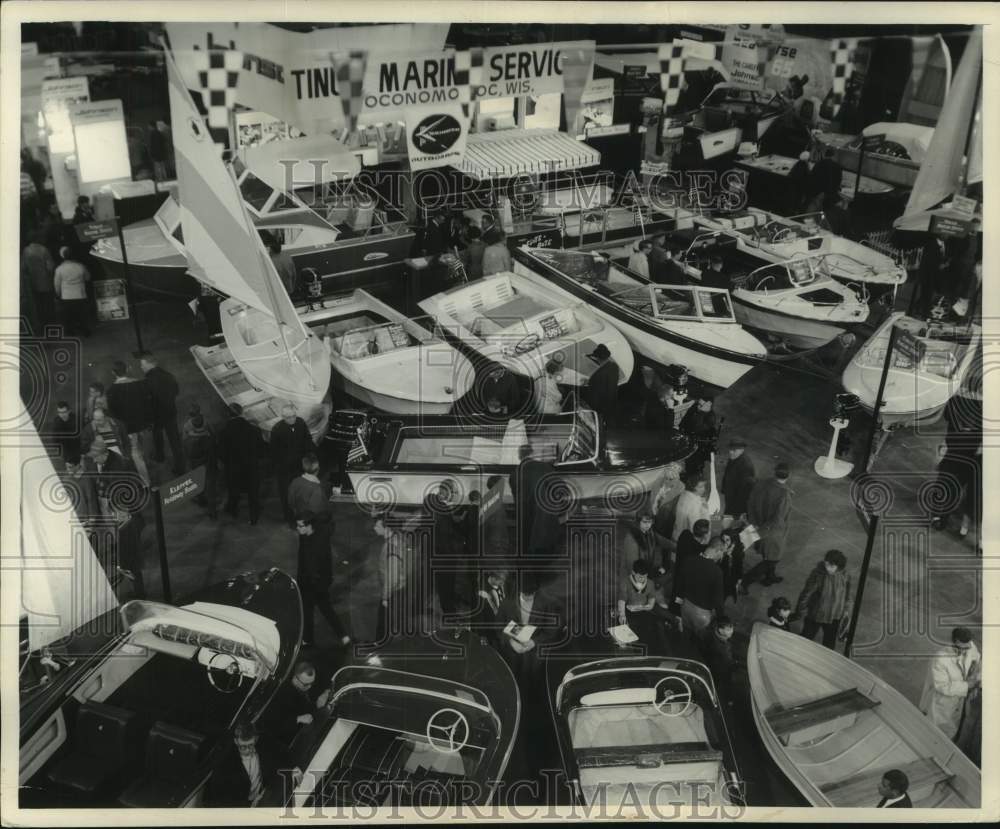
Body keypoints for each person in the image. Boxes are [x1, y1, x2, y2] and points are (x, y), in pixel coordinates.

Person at [495, 574, 562, 689]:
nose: (528, 598)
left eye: (531, 595)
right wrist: (510, 641)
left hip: (536, 662)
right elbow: (497, 628)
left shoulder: (547, 603)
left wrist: (533, 642)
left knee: (535, 692)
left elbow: (552, 632)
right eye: (525, 595)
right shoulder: (507, 603)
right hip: (512, 660)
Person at [296, 509, 350, 648]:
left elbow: (316, 565)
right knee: (323, 609)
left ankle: (309, 640)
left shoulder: (317, 543)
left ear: (309, 526)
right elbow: (302, 560)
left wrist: (313, 584)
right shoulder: (306, 535)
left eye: (300, 526)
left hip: (315, 583)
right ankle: (343, 636)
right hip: (312, 582)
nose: (298, 528)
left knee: (314, 610)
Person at [205, 721, 287, 807]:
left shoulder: (263, 745)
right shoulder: (226, 764)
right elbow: (221, 800)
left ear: (256, 739)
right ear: (236, 741)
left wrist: (294, 767)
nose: (247, 751)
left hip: (263, 796)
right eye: (243, 747)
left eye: (250, 745)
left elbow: (281, 751)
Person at [919, 627, 980, 739]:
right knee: (935, 732)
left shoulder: (970, 647)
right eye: (959, 648)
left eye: (966, 648)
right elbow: (942, 686)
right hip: (943, 703)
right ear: (954, 642)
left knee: (953, 728)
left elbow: (977, 660)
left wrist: (976, 676)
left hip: (959, 700)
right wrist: (967, 686)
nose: (963, 652)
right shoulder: (940, 659)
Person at [742, 462, 792, 587]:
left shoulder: (762, 484)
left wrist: (754, 524)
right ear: (788, 476)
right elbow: (778, 519)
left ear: (774, 472)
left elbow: (751, 503)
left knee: (767, 555)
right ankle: (745, 581)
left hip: (758, 525)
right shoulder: (784, 495)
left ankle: (770, 577)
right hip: (773, 533)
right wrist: (761, 533)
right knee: (773, 559)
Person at [510, 443, 563, 559]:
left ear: (519, 456)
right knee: (543, 548)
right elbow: (560, 488)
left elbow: (516, 499)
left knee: (526, 546)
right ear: (532, 454)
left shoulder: (514, 474)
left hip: (524, 518)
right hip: (545, 515)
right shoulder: (544, 467)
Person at [794, 549, 853, 649]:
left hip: (835, 617)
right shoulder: (818, 574)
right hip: (816, 615)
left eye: (831, 566)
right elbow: (806, 594)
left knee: (829, 644)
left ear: (839, 567)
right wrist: (801, 611)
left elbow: (848, 596)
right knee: (806, 638)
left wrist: (847, 612)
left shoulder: (845, 576)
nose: (828, 568)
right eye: (826, 564)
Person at [106, 361, 153, 486]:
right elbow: (148, 404)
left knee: (136, 454)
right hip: (143, 425)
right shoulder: (140, 384)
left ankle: (146, 482)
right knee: (143, 449)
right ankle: (149, 466)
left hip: (129, 429)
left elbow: (114, 416)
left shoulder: (111, 391)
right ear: (127, 369)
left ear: (113, 373)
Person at [261, 661, 329, 746]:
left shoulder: (306, 683)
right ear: (295, 679)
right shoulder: (282, 694)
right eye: (306, 684)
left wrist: (326, 693)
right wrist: (298, 719)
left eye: (312, 683)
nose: (310, 687)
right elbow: (272, 724)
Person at [139, 352, 183, 476]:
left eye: (142, 364)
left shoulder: (147, 381)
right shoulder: (168, 375)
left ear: (149, 364)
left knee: (157, 435)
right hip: (170, 412)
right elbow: (176, 391)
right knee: (174, 440)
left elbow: (147, 402)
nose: (141, 367)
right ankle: (180, 467)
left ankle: (160, 456)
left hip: (157, 415)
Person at [271, 404, 316, 527]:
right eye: (289, 417)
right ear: (283, 417)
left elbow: (307, 439)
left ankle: (304, 516)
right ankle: (290, 518)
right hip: (285, 470)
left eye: (294, 416)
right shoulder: (277, 429)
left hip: (300, 467)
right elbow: (274, 452)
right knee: (287, 495)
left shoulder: (300, 423)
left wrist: (311, 455)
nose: (292, 419)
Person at [617, 559, 671, 651]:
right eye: (639, 577)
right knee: (628, 637)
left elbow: (651, 600)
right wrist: (622, 614)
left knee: (653, 632)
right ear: (633, 572)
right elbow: (622, 600)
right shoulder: (625, 582)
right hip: (629, 612)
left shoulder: (650, 583)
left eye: (644, 576)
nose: (642, 579)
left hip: (645, 611)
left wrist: (647, 606)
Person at [675, 537, 725, 637]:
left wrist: (678, 609)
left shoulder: (688, 560)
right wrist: (721, 619)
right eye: (722, 552)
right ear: (718, 550)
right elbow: (718, 600)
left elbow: (679, 586)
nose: (722, 556)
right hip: (702, 615)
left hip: (685, 607)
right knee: (700, 642)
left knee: (685, 636)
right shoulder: (717, 571)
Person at [220, 403, 262, 524]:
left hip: (234, 469)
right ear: (241, 412)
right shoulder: (254, 430)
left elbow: (222, 454)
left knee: (234, 491)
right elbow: (261, 449)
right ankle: (254, 518)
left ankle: (233, 512)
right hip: (251, 468)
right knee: (253, 494)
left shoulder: (224, 432)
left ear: (228, 414)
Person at [182, 414, 218, 519]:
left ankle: (201, 500)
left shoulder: (188, 441)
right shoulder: (209, 439)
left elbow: (187, 454)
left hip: (196, 466)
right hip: (209, 466)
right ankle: (212, 511)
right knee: (211, 490)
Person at [699, 615, 738, 703]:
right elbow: (728, 661)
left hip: (710, 664)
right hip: (719, 668)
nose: (732, 631)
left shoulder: (712, 633)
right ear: (721, 630)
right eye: (728, 629)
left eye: (732, 627)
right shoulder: (722, 647)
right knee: (722, 682)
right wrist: (733, 664)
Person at [53, 247, 91, 336]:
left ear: (62, 256)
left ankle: (70, 332)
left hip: (67, 296)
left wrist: (58, 294)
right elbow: (88, 278)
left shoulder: (59, 269)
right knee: (82, 315)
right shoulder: (80, 266)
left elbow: (57, 284)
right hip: (80, 294)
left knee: (68, 316)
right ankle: (85, 331)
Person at [679, 394, 718, 477]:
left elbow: (696, 428)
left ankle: (694, 475)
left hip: (699, 445)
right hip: (688, 438)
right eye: (698, 403)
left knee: (694, 465)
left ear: (709, 405)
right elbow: (684, 420)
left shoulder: (711, 418)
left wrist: (701, 413)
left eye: (701, 405)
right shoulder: (695, 407)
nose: (698, 406)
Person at [21, 235, 56, 326]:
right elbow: (50, 267)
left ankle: (42, 322)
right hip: (46, 282)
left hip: (33, 283)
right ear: (38, 239)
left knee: (38, 304)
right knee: (48, 303)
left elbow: (23, 267)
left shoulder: (26, 251)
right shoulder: (44, 249)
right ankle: (51, 321)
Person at [583, 343, 620, 426]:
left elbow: (611, 388)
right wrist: (589, 382)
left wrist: (607, 408)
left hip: (601, 404)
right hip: (599, 403)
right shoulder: (606, 366)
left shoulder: (611, 367)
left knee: (599, 424)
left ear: (599, 358)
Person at [473, 569, 510, 645]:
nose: (502, 583)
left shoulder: (501, 584)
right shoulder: (481, 593)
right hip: (492, 627)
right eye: (500, 581)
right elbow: (479, 616)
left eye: (503, 581)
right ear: (493, 578)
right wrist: (482, 635)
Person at [722, 438, 755, 519]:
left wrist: (737, 509)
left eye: (734, 450)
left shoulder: (746, 465)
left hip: (738, 504)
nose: (730, 452)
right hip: (730, 497)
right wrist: (724, 489)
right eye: (730, 449)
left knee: (734, 523)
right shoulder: (733, 458)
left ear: (742, 450)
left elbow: (746, 490)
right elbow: (727, 474)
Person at [651, 461, 685, 539]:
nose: (672, 469)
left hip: (668, 520)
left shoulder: (680, 486)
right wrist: (654, 504)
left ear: (679, 471)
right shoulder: (658, 481)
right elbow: (653, 495)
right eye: (671, 466)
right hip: (655, 516)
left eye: (676, 468)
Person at [671, 477, 711, 542]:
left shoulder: (684, 494)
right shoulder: (694, 503)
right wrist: (705, 510)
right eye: (700, 487)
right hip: (687, 539)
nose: (704, 489)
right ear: (693, 487)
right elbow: (695, 526)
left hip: (677, 535)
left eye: (704, 486)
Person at [806, 147, 843, 215]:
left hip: (818, 191)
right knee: (826, 212)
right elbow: (838, 180)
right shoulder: (837, 166)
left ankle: (807, 221)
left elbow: (812, 177)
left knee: (813, 209)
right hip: (829, 192)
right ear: (833, 156)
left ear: (825, 155)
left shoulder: (818, 164)